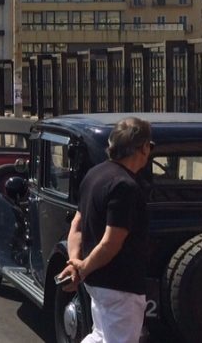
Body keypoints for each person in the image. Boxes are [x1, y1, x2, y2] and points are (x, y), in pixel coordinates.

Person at [58, 117, 152, 343]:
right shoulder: (125, 186)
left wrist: (75, 262)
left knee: (100, 336)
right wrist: (80, 270)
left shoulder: (95, 174)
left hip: (98, 282)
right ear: (143, 148)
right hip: (120, 283)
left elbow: (77, 225)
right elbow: (112, 242)